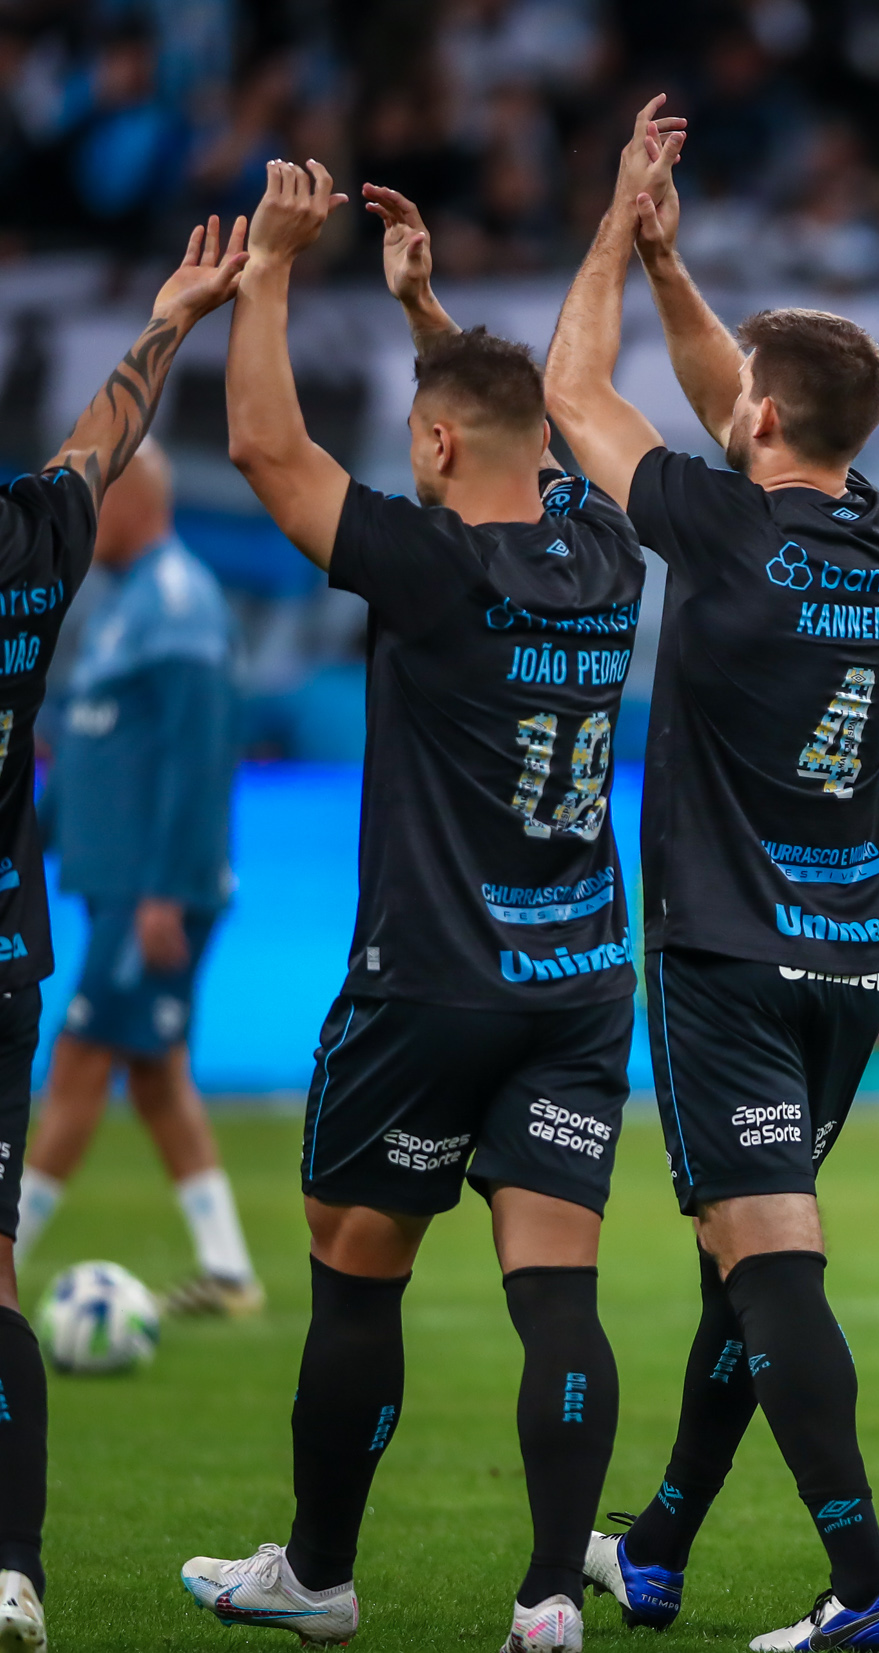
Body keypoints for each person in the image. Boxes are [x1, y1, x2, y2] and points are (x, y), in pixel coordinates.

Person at [177, 160, 645, 1653]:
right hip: (579, 978)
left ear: (436, 446)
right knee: (554, 1290)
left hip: (431, 980)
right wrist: (430, 313)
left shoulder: (429, 566)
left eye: (419, 441)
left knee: (356, 1265)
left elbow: (262, 444)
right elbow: (522, 436)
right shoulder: (609, 553)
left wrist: (268, 267)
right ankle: (551, 1597)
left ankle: (318, 1574)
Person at [543, 100, 879, 1652]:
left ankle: (864, 1588)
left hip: (729, 953)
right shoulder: (878, 534)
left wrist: (610, 230)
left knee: (770, 1264)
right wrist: (677, 268)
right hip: (851, 957)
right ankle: (667, 1544)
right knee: (743, 1265)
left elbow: (576, 389)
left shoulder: (721, 536)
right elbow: (742, 406)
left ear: (760, 430)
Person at [0, 210, 247, 1653]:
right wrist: (173, 320)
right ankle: (14, 1569)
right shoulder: (42, 551)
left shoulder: (181, 607)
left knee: (128, 1071)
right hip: (13, 942)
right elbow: (103, 428)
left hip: (132, 886)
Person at [16, 438, 255, 1318]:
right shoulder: (117, 600)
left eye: (89, 500)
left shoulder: (180, 602)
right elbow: (90, 747)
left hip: (156, 893)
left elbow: (199, 760)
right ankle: (228, 1270)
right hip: (117, 882)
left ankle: (9, 1251)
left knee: (78, 1059)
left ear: (133, 501)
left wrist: (167, 887)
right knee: (155, 1073)